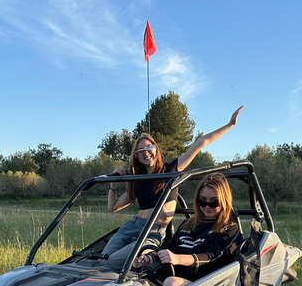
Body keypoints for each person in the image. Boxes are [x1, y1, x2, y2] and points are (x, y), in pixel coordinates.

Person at [102, 106, 243, 272]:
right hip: (133, 226)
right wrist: (114, 182)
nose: (146, 153)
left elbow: (200, 143)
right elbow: (113, 207)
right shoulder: (138, 179)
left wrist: (229, 125)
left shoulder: (170, 171)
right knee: (103, 260)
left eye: (149, 148)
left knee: (111, 264)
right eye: (141, 151)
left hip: (153, 231)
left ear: (156, 150)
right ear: (137, 157)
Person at [133, 173, 239, 286]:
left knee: (170, 284)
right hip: (176, 283)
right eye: (202, 201)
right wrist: (148, 258)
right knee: (133, 281)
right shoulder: (188, 224)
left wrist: (177, 259)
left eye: (214, 202)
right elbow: (169, 248)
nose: (207, 206)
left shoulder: (230, 228)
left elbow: (211, 257)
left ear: (224, 201)